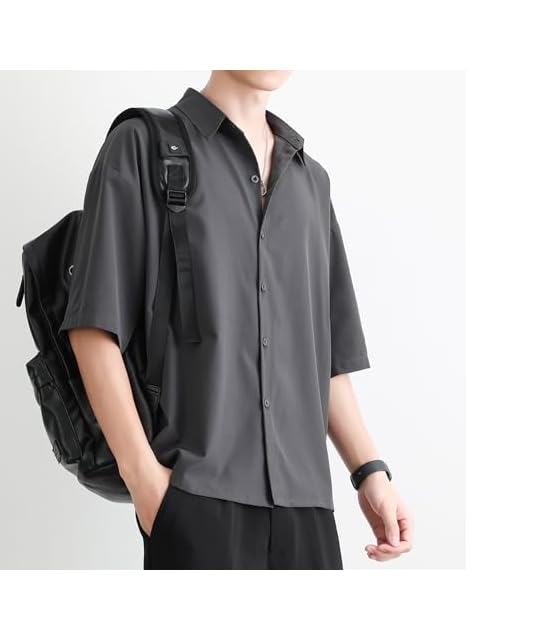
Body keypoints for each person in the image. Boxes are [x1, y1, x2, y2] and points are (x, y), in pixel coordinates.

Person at [59, 70, 414, 569]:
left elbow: (325, 358)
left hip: (307, 507)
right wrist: (146, 484)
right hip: (195, 499)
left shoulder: (311, 182)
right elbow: (94, 325)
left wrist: (370, 473)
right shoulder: (143, 146)